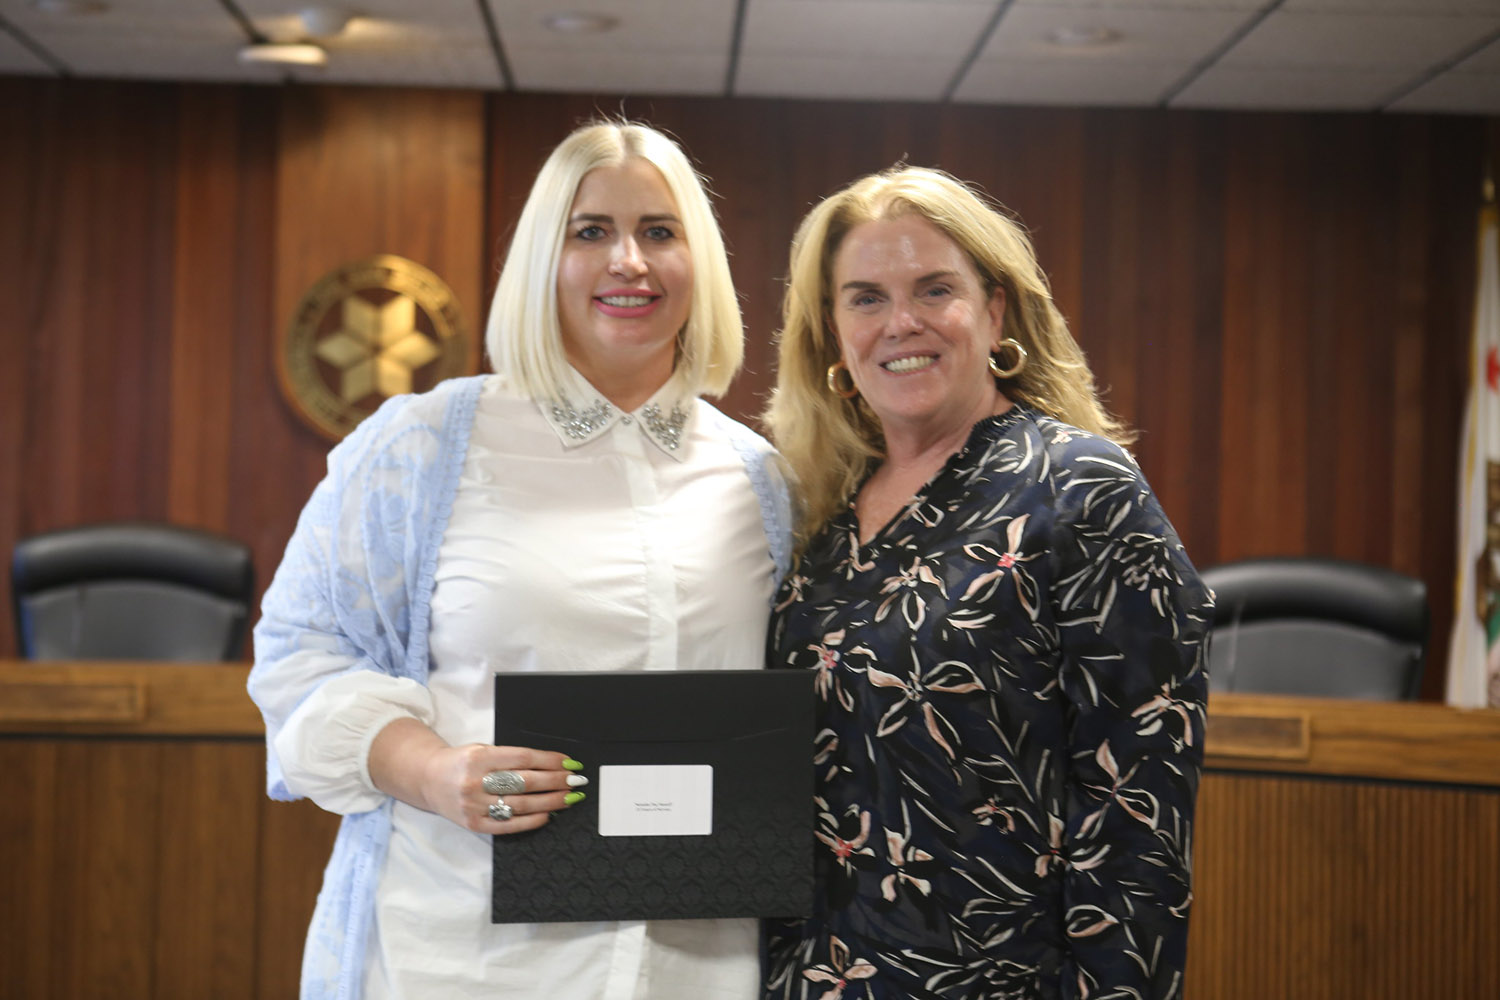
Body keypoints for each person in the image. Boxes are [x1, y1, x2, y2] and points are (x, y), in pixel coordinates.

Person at [248, 120, 793, 1000]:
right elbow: (301, 657)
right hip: (463, 957)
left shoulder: (760, 478)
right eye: (591, 232)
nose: (629, 261)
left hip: (691, 963)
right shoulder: (424, 446)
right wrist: (434, 773)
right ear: (545, 256)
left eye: (659, 231)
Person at [760, 166, 1211, 1000]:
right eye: (866, 298)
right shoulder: (821, 511)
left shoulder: (1077, 489)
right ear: (832, 330)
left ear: (995, 309)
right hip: (810, 976)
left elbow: (1139, 815)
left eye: (935, 289)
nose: (901, 322)